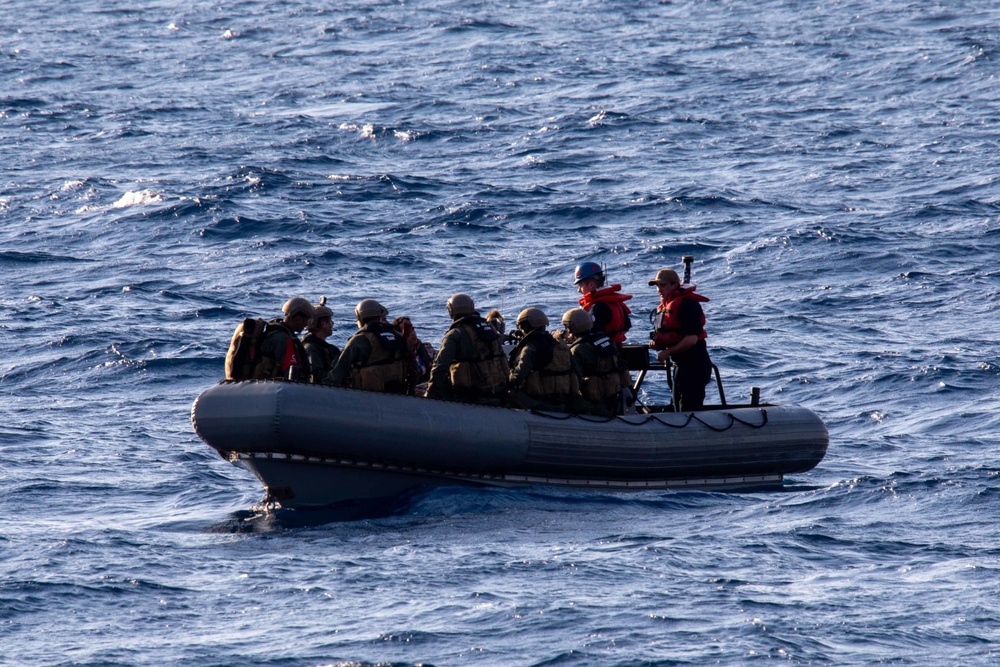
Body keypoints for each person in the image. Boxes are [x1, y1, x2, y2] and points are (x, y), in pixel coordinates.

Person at [648, 268, 713, 411]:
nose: (659, 290)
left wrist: (667, 352)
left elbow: (691, 339)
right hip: (680, 366)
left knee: (689, 410)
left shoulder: (687, 305)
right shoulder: (667, 306)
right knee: (678, 408)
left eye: (663, 285)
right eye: (657, 286)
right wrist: (658, 344)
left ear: (674, 285)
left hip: (694, 366)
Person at [425, 294, 509, 405]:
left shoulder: (454, 334)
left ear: (451, 310)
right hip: (498, 392)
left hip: (469, 397)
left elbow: (440, 368)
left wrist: (429, 396)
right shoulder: (490, 330)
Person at [325, 299, 411, 394]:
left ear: (360, 319)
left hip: (366, 397)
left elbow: (338, 372)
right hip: (398, 395)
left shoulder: (358, 340)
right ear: (379, 316)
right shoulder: (397, 335)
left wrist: (322, 386)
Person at [562, 308, 632, 417]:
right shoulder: (606, 340)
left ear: (571, 328)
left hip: (592, 406)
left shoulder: (578, 350)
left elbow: (573, 382)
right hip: (613, 401)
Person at [508, 307, 579, 412]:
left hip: (542, 403)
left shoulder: (531, 347)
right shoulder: (560, 345)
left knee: (509, 393)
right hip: (564, 401)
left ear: (525, 326)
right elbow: (576, 371)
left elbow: (518, 377)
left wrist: (504, 382)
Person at [573, 261, 633, 345]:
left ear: (591, 285)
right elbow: (627, 325)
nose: (578, 290)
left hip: (601, 355)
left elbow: (590, 334)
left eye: (580, 286)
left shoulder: (597, 307)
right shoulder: (615, 302)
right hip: (614, 349)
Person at [255, 297, 312, 380]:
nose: (306, 324)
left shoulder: (274, 332)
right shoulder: (283, 340)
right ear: (297, 318)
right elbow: (290, 373)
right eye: (305, 320)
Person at [301, 296, 340, 384]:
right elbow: (316, 376)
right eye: (330, 320)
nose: (332, 323)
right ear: (323, 324)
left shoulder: (323, 347)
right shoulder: (311, 349)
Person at [392, 315, 435, 387]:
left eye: (413, 329)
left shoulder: (428, 350)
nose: (412, 333)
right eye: (408, 330)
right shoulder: (397, 357)